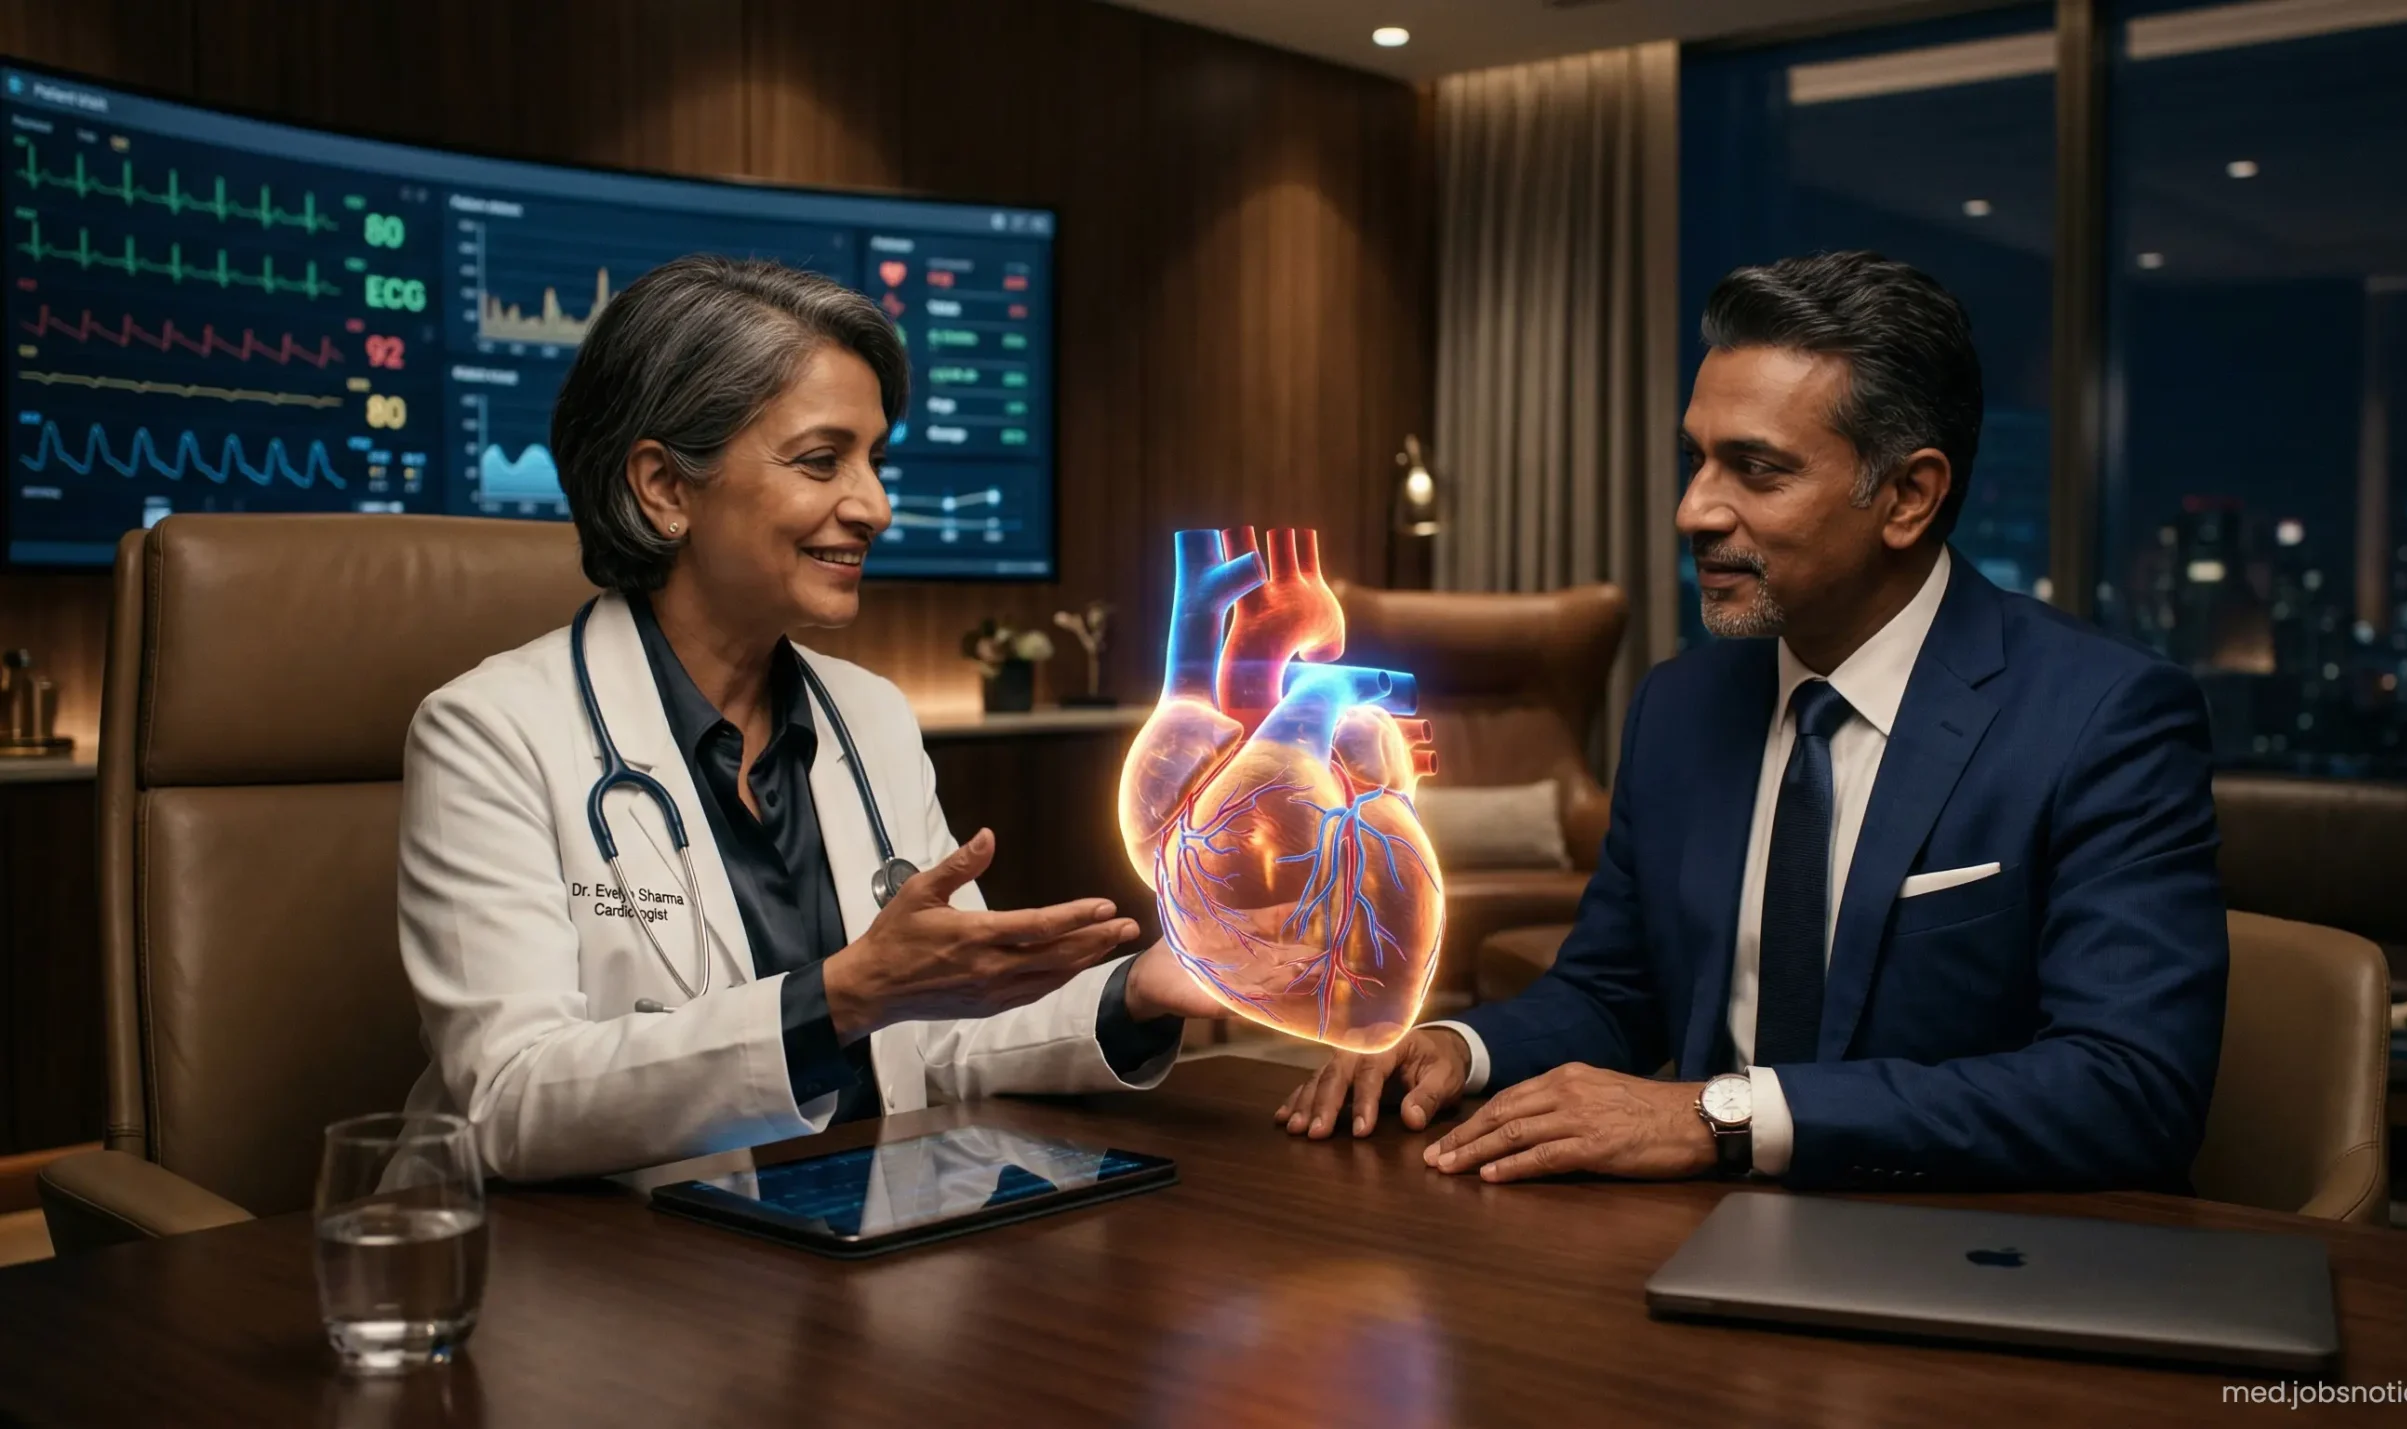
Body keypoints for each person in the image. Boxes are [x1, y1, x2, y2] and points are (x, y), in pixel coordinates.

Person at [1277, 251, 2227, 1193]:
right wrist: (1458, 1045)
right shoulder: (1679, 706)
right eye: (1696, 459)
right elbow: (1618, 991)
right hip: (1696, 1244)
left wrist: (1718, 1115)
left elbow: (2129, 1088)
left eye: (1756, 470)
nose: (1694, 510)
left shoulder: (2104, 716)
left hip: (1972, 1257)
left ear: (1909, 497)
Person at [397, 256, 1218, 1182]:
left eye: (874, 461)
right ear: (665, 488)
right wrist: (841, 997)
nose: (874, 504)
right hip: (597, 1271)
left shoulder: (868, 716)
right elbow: (512, 1100)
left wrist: (1141, 990)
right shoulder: (489, 732)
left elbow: (941, 1042)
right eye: (823, 460)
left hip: (845, 1243)